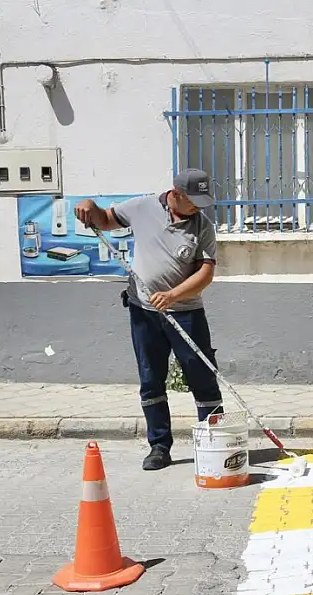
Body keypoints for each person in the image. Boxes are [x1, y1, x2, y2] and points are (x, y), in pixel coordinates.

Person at [74, 168, 225, 471]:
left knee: (203, 379)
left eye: (202, 202)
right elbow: (105, 218)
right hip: (144, 311)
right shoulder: (142, 207)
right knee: (150, 379)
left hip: (186, 314)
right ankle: (159, 445)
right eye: (193, 201)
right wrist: (90, 205)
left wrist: (173, 295)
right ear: (176, 193)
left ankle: (214, 442)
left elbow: (205, 273)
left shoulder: (203, 226)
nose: (198, 207)